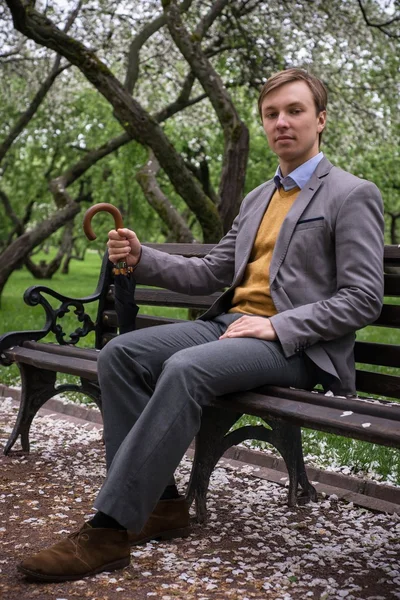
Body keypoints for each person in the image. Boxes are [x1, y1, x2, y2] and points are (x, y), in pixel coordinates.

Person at [17, 68, 384, 582]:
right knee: (120, 354)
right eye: (271, 114)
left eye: (294, 111)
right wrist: (143, 257)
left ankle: (108, 529)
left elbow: (363, 297)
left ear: (320, 120)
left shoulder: (351, 194)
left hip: (299, 348)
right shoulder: (258, 198)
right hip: (232, 327)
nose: (281, 122)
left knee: (187, 368)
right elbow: (210, 272)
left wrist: (277, 328)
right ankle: (163, 505)